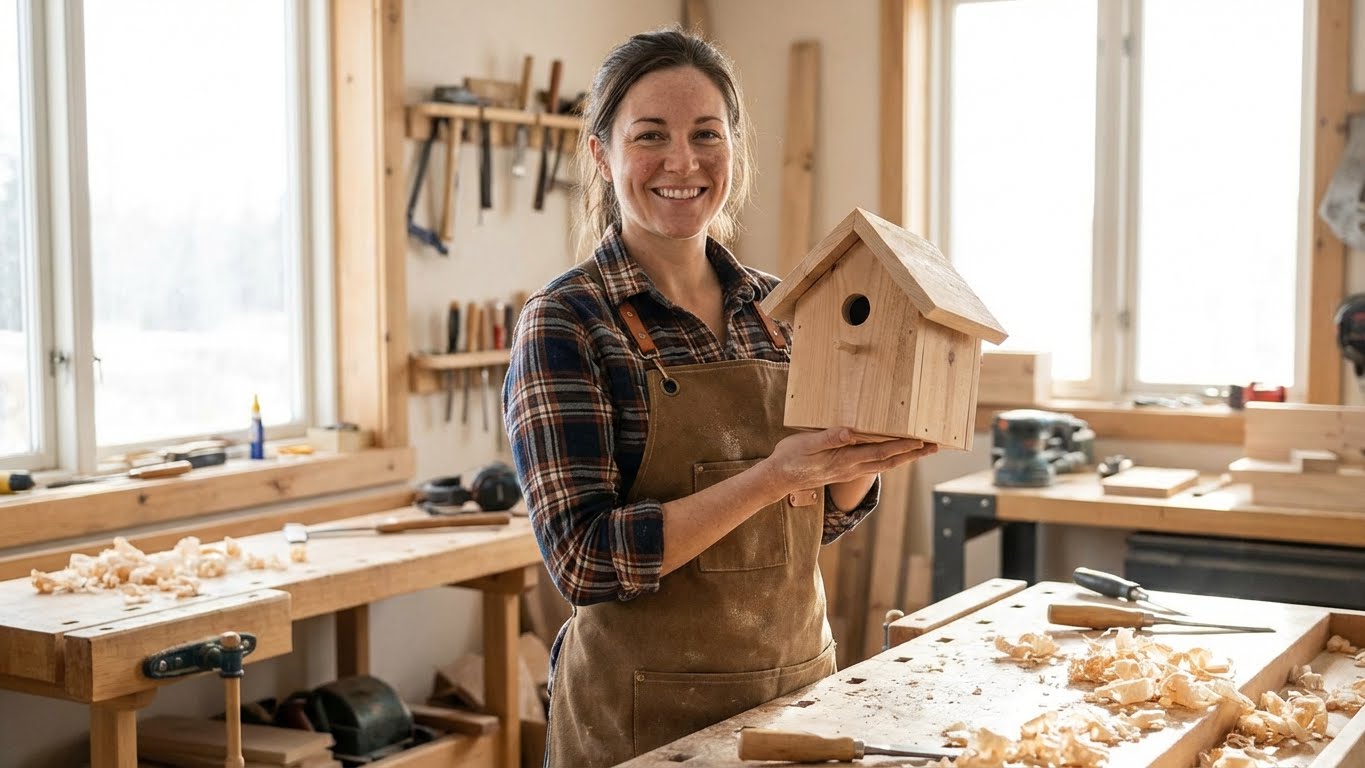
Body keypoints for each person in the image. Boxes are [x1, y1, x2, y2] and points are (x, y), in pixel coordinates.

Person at [503, 27, 938, 767]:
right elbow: (584, 561)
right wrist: (775, 475)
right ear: (602, 157)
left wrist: (859, 453)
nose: (683, 161)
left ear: (734, 151)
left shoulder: (782, 308)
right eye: (650, 136)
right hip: (643, 722)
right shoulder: (567, 322)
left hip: (797, 697)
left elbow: (807, 525)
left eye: (707, 134)